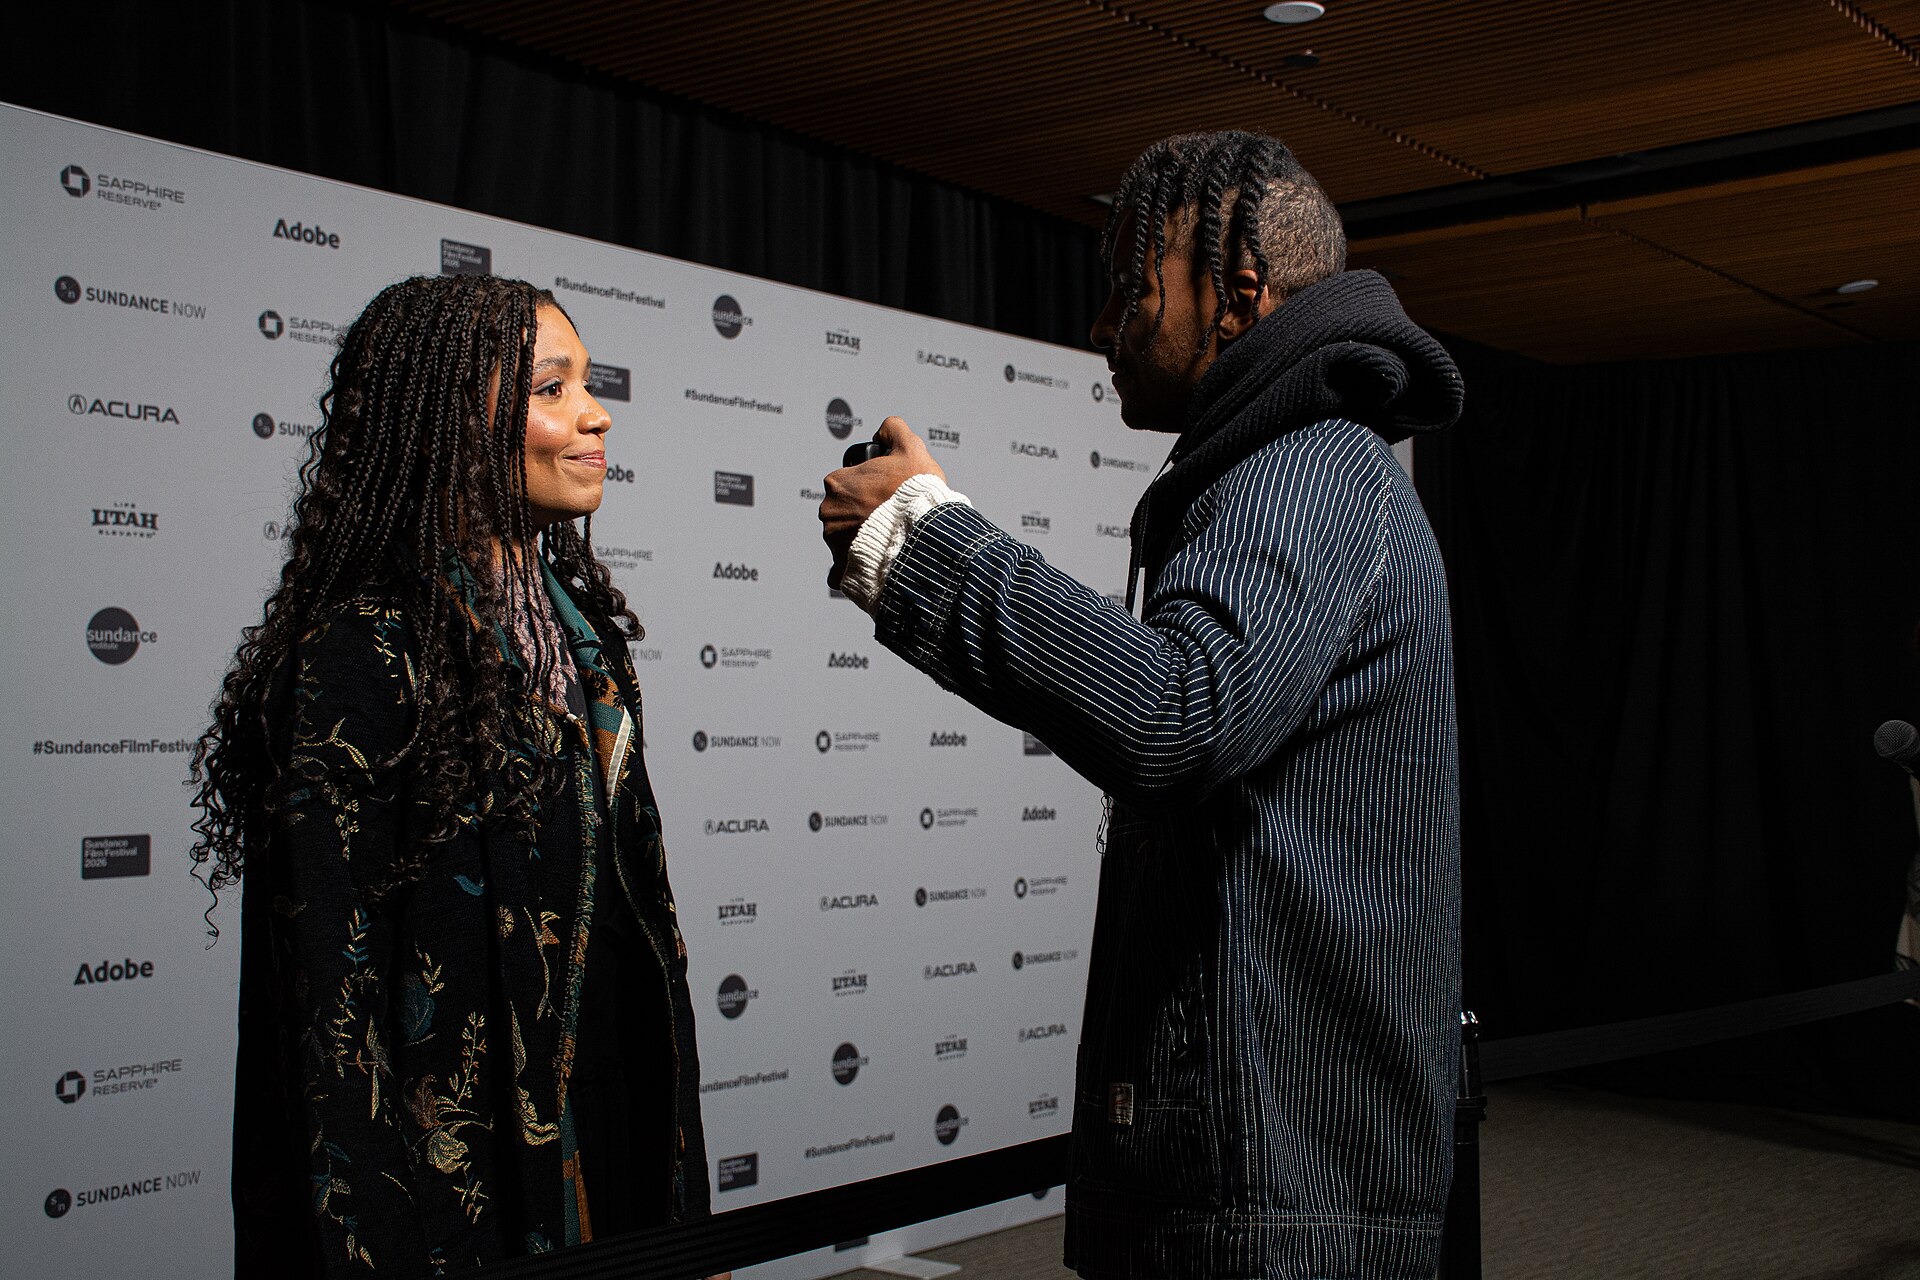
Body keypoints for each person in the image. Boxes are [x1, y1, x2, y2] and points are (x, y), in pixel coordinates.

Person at [821, 131, 1465, 1278]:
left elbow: (1178, 708)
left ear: (1239, 291)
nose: (1100, 323)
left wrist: (923, 533)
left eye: (1131, 286)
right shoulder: (1291, 464)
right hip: (1260, 1176)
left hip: (1278, 1198)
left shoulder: (1311, 465)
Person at [191, 274, 709, 1276]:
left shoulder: (587, 637)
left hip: (605, 1137)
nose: (595, 414)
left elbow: (638, 939)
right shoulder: (357, 653)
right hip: (448, 1198)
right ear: (447, 423)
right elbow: (330, 1014)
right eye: (550, 388)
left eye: (587, 384)